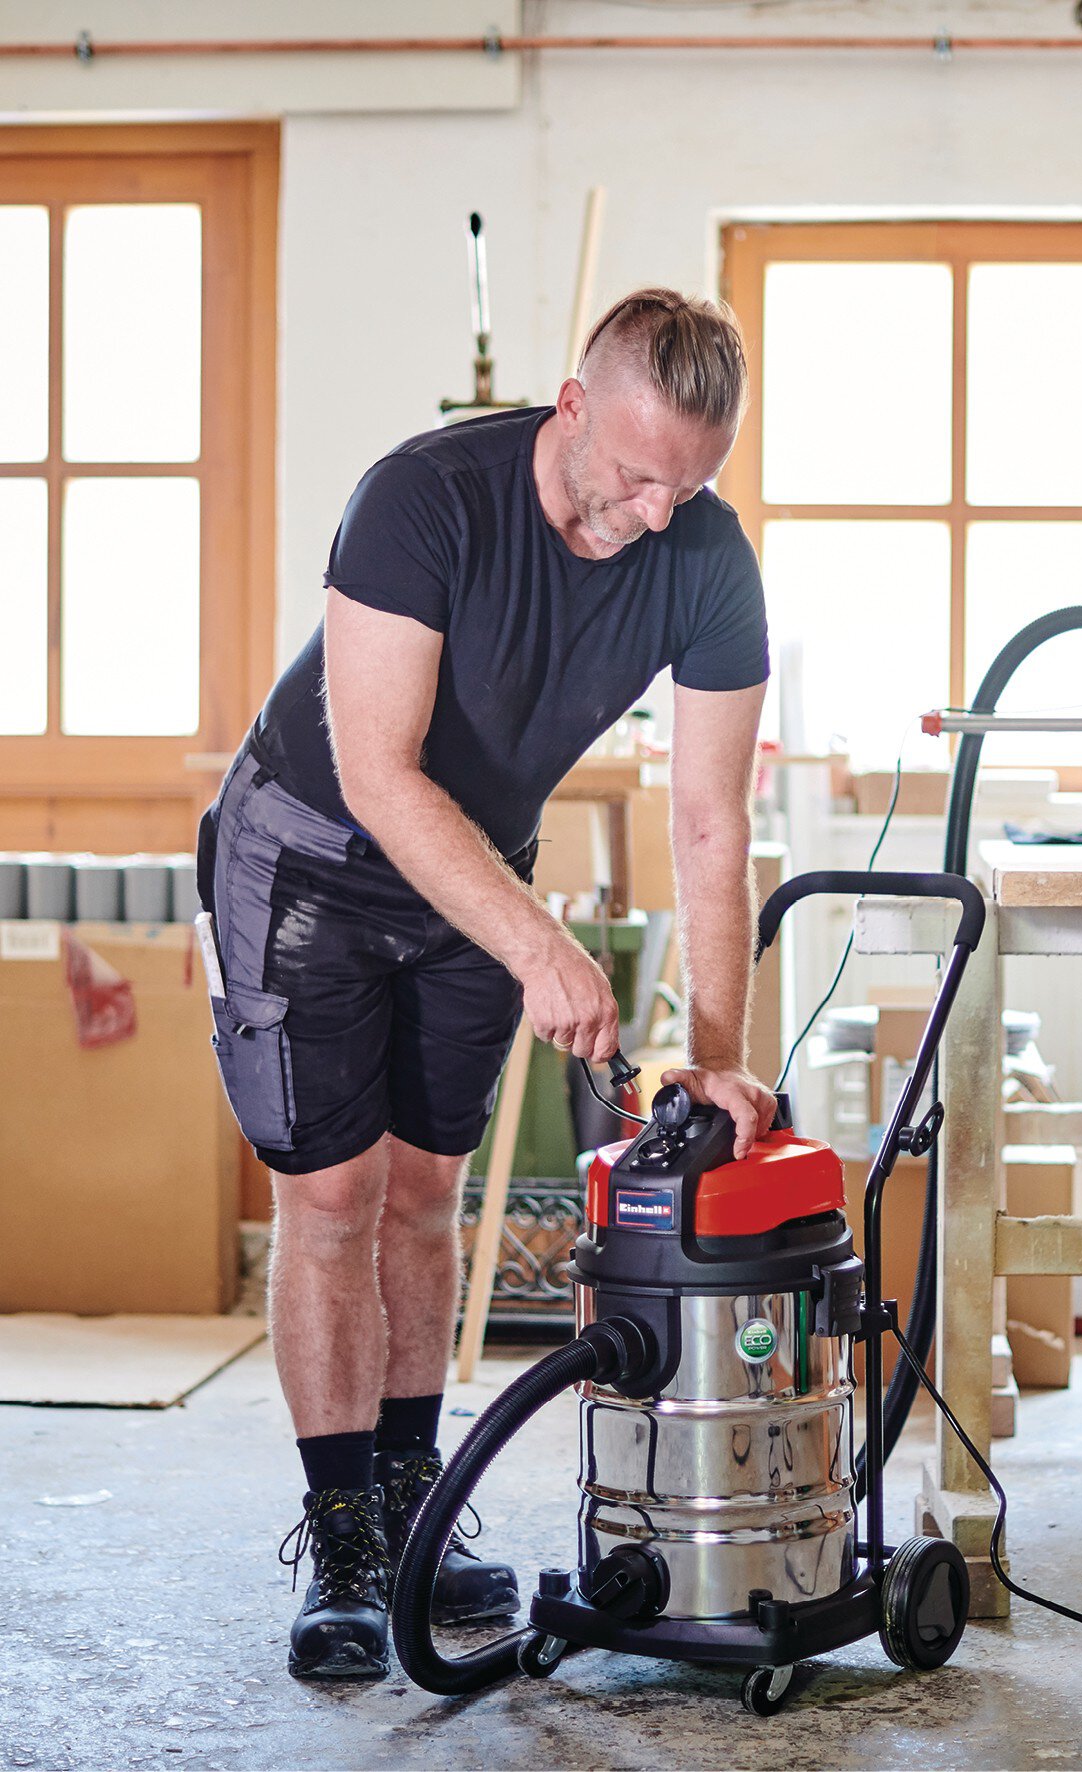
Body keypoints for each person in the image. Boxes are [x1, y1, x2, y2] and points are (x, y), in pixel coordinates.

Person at [196, 289, 777, 1681]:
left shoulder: (705, 555)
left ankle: (415, 1509)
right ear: (572, 406)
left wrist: (715, 1052)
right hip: (314, 861)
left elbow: (709, 823)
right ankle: (340, 1533)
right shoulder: (422, 497)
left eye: (686, 484)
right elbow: (380, 773)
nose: (654, 511)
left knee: (421, 1192)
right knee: (330, 1201)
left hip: (473, 875)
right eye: (635, 473)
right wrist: (538, 943)